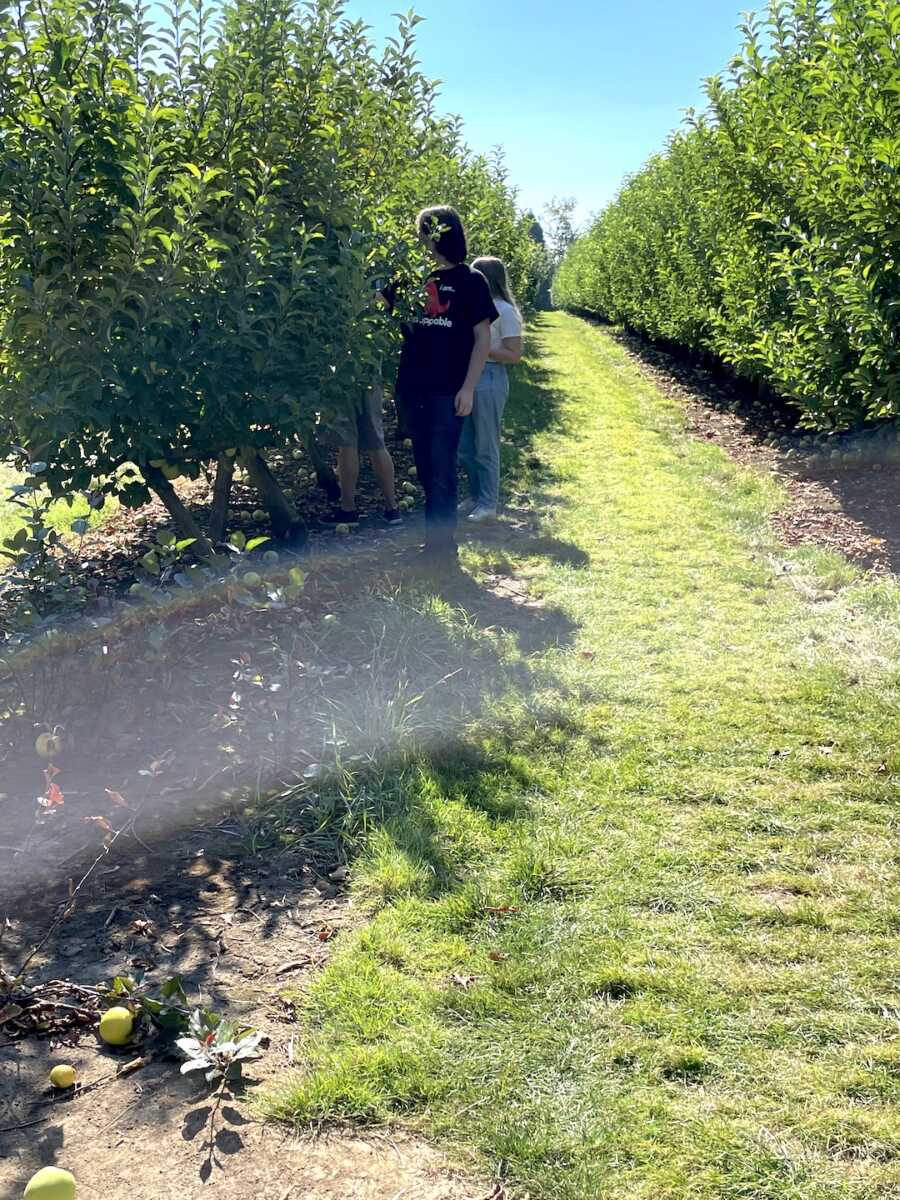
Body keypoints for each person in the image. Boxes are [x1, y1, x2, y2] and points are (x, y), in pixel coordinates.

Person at [390, 206, 497, 564]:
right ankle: (434, 543)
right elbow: (377, 308)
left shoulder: (471, 282)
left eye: (422, 231)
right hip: (412, 386)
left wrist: (468, 387)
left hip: (448, 389)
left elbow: (482, 339)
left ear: (438, 234)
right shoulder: (410, 278)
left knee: (442, 464)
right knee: (424, 464)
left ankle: (442, 549)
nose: (418, 238)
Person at [458, 256, 524, 522]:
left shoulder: (505, 311)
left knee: (486, 443)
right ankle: (475, 495)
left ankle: (488, 502)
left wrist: (479, 348)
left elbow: (514, 353)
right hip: (469, 376)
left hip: (490, 377)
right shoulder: (477, 307)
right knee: (465, 445)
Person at [323, 383, 402, 526]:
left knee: (346, 440)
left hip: (341, 376)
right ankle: (392, 508)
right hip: (370, 373)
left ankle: (348, 509)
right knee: (376, 440)